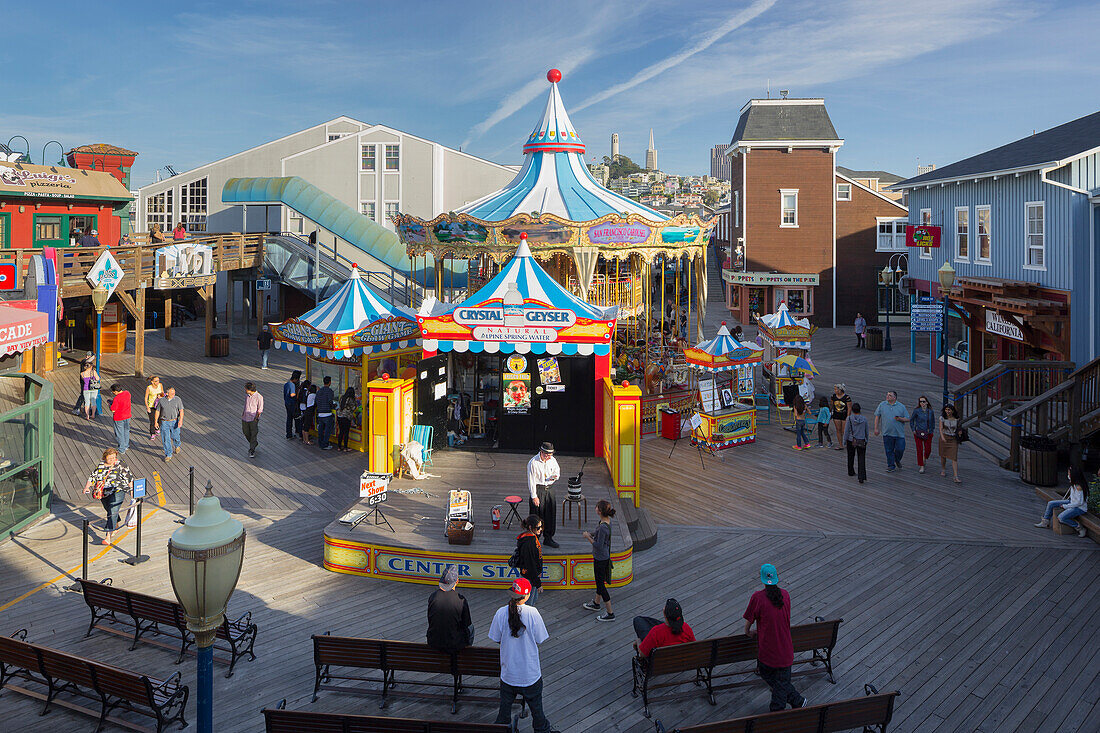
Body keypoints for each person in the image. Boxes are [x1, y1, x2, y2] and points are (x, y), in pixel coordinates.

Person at [488, 578, 557, 733]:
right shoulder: (533, 613)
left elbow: (496, 638)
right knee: (537, 712)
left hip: (508, 675)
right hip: (530, 674)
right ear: (526, 596)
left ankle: (501, 729)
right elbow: (540, 639)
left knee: (503, 714)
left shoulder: (500, 613)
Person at [743, 564, 808, 711]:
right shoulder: (785, 595)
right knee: (782, 681)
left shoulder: (758, 598)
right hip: (786, 650)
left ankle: (778, 714)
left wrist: (747, 631)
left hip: (767, 651)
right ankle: (797, 700)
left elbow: (749, 618)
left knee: (769, 677)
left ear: (762, 579)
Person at [82, 447, 134, 546]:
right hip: (103, 492)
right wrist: (87, 487)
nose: (112, 460)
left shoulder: (121, 465)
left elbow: (129, 477)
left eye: (114, 458)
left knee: (112, 511)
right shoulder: (101, 465)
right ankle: (116, 523)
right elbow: (93, 477)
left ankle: (107, 536)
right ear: (105, 457)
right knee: (109, 510)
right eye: (110, 458)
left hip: (118, 490)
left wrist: (132, 490)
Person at [426, 565, 474, 655]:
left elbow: (430, 620)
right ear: (457, 581)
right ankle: (466, 653)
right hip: (454, 644)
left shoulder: (433, 597)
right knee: (471, 628)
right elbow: (466, 624)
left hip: (433, 642)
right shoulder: (461, 600)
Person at [581, 499, 616, 622]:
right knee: (599, 580)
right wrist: (590, 534)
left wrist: (587, 537)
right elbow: (599, 535)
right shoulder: (606, 522)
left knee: (600, 585)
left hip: (600, 558)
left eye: (596, 507)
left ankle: (610, 612)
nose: (595, 508)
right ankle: (596, 603)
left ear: (599, 511)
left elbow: (598, 545)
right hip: (603, 556)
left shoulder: (603, 527)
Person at [1035, 467, 1091, 538]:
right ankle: (1045, 521)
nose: (1068, 475)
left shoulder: (1079, 487)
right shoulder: (1074, 484)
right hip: (1072, 502)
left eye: (1069, 473)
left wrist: (1065, 506)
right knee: (1051, 503)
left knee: (1061, 518)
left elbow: (1079, 503)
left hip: (1079, 508)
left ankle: (1080, 528)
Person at [527, 442, 560, 548]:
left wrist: (554, 477)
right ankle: (534, 538)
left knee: (550, 514)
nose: (549, 457)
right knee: (537, 515)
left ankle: (548, 538)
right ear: (542, 452)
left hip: (549, 489)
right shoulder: (533, 462)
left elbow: (557, 472)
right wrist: (534, 496)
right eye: (547, 455)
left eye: (550, 455)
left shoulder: (552, 460)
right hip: (539, 489)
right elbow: (531, 481)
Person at [873, 391, 909, 472]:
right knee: (889, 450)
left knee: (900, 449)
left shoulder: (901, 406)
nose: (887, 396)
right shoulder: (882, 405)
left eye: (890, 395)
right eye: (887, 395)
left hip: (899, 433)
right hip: (887, 432)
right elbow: (877, 416)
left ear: (894, 398)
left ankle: (897, 459)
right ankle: (891, 465)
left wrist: (900, 419)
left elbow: (908, 418)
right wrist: (876, 428)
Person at [515, 515, 544, 607]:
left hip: (531, 576)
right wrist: (538, 584)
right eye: (538, 527)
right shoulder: (529, 543)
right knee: (527, 604)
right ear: (531, 527)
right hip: (529, 577)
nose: (540, 529)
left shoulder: (530, 538)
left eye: (541, 527)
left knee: (530, 602)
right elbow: (530, 565)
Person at [155, 387, 185, 463]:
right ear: (167, 393)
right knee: (166, 438)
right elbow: (157, 411)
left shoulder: (177, 399)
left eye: (174, 392)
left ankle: (177, 444)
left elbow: (181, 410)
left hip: (174, 421)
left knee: (176, 436)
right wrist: (156, 421)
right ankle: (168, 454)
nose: (173, 394)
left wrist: (180, 420)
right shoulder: (161, 401)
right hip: (164, 422)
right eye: (172, 393)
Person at [843, 403, 869, 483]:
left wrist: (844, 440)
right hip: (861, 440)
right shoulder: (864, 419)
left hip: (851, 440)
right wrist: (866, 439)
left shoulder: (849, 418)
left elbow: (846, 431)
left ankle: (851, 471)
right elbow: (866, 431)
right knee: (861, 458)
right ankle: (861, 476)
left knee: (850, 456)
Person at [910, 396, 936, 474]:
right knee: (919, 449)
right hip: (918, 432)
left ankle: (924, 458)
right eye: (920, 401)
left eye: (924, 401)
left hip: (928, 432)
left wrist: (931, 430)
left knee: (928, 449)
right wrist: (913, 430)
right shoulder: (917, 411)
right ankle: (921, 465)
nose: (922, 403)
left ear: (927, 402)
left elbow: (933, 421)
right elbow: (912, 420)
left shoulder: (930, 411)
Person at [939, 403, 962, 483]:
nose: (947, 411)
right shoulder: (942, 418)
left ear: (952, 410)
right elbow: (941, 428)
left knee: (954, 457)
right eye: (946, 409)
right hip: (945, 437)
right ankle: (943, 468)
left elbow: (959, 428)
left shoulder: (956, 419)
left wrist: (960, 433)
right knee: (943, 455)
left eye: (949, 410)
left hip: (953, 439)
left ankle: (955, 476)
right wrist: (942, 437)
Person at [108, 384, 132, 454]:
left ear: (115, 391)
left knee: (119, 433)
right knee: (126, 431)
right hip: (127, 416)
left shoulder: (116, 398)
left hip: (119, 417)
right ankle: (126, 445)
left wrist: (110, 404)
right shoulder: (127, 393)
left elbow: (113, 410)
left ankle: (121, 449)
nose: (112, 393)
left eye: (113, 392)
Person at [242, 382, 263, 458]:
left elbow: (260, 409)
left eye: (246, 388)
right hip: (245, 417)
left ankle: (252, 449)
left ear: (250, 389)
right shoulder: (247, 396)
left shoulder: (259, 397)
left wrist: (256, 418)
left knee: (253, 434)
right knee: (246, 432)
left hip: (253, 418)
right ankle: (253, 443)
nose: (245, 389)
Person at [315, 376, 336, 451]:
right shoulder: (330, 391)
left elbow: (316, 401)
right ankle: (325, 444)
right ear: (329, 382)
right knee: (327, 430)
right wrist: (333, 406)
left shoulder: (319, 391)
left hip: (320, 413)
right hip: (327, 414)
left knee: (320, 430)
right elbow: (330, 401)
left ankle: (320, 443)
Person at [830, 385, 852, 452]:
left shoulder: (847, 398)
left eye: (836, 389)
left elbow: (849, 408)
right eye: (835, 389)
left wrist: (848, 417)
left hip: (844, 415)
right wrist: (829, 413)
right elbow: (831, 405)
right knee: (838, 430)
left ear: (840, 390)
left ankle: (847, 444)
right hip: (836, 415)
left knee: (844, 431)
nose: (835, 391)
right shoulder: (833, 397)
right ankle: (840, 444)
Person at [145, 376, 163, 442]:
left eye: (158, 380)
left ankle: (157, 428)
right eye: (156, 381)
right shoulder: (149, 388)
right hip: (152, 406)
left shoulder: (160, 385)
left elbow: (162, 393)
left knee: (160, 419)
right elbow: (146, 398)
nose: (158, 382)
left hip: (159, 405)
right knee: (152, 421)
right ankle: (152, 434)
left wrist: (160, 396)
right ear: (152, 382)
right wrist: (147, 407)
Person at [283, 370, 300, 440]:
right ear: (295, 379)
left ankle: (289, 434)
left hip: (287, 402)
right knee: (296, 417)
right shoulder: (292, 385)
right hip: (292, 403)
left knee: (289, 418)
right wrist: (298, 394)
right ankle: (298, 431)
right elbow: (292, 394)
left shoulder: (286, 384)